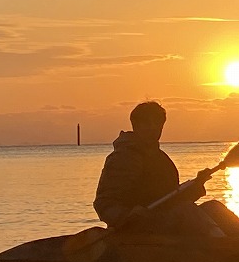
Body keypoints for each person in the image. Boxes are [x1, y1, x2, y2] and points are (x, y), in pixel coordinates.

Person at [94, 101, 223, 236]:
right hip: (138, 230)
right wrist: (126, 215)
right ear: (136, 126)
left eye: (157, 123)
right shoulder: (123, 157)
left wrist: (196, 184)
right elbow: (104, 203)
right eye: (147, 123)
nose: (153, 128)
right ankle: (224, 246)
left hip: (163, 221)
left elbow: (171, 199)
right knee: (186, 211)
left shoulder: (161, 158)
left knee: (213, 208)